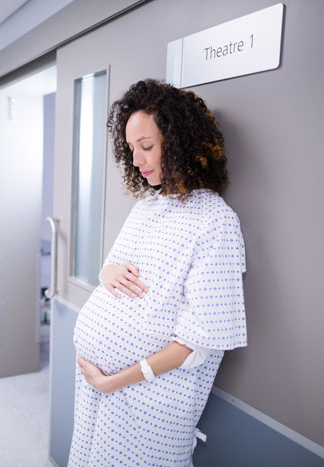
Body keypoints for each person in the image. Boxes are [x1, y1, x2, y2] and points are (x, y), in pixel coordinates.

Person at [69, 79, 247, 466]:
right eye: (131, 149)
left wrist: (112, 381)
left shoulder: (215, 222)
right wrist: (107, 272)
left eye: (146, 147)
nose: (136, 160)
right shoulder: (149, 206)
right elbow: (111, 268)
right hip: (99, 390)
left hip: (149, 404)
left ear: (181, 142)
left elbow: (198, 342)